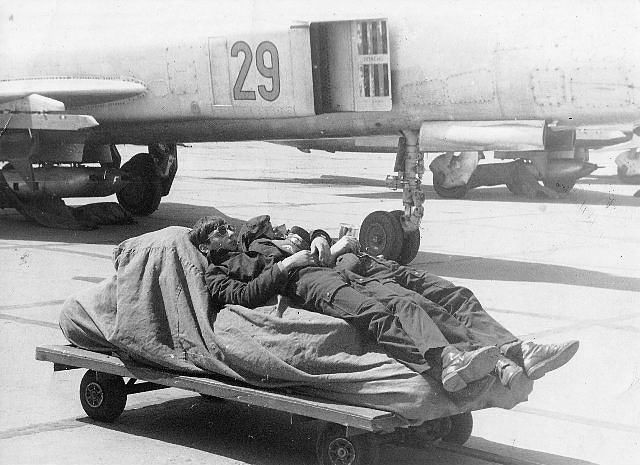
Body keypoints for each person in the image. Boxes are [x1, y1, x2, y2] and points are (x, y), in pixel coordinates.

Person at [194, 215, 502, 394]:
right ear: (206, 246)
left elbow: (301, 235)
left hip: (329, 271)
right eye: (220, 232)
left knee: (402, 303)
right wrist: (286, 265)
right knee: (374, 314)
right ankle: (440, 367)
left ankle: (459, 354)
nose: (229, 232)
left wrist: (317, 238)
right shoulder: (217, 272)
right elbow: (244, 296)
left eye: (228, 227)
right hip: (308, 282)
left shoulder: (252, 248)